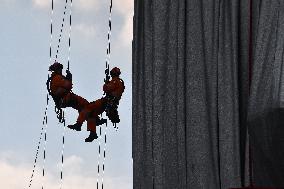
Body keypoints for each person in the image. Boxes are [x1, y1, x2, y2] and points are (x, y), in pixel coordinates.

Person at [67, 67, 125, 142]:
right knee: (91, 114)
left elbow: (106, 89)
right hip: (109, 103)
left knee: (87, 108)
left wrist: (107, 83)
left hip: (107, 101)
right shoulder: (119, 82)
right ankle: (93, 133)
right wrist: (108, 82)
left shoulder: (115, 81)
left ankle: (78, 124)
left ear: (113, 74)